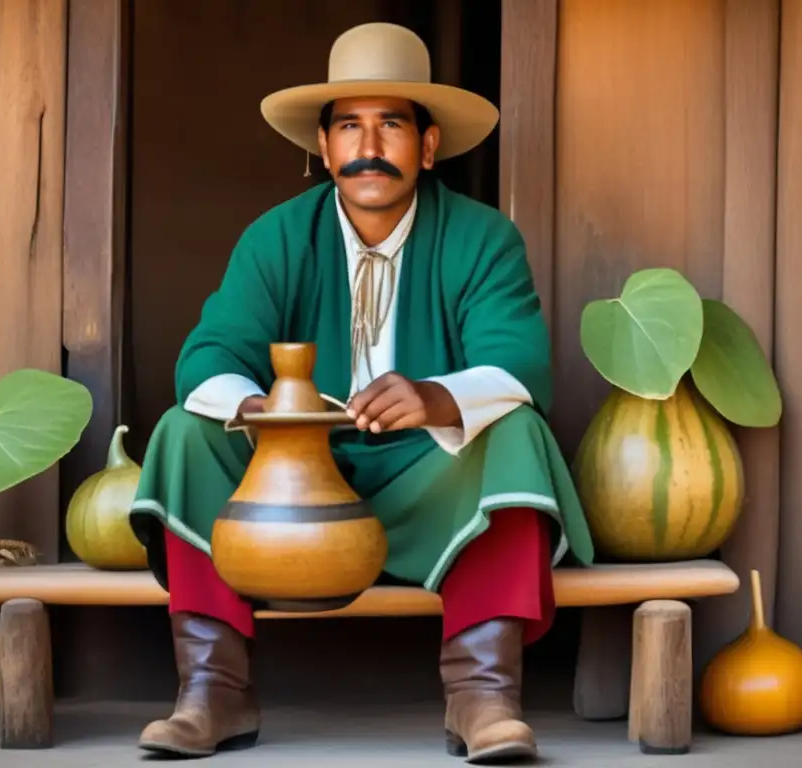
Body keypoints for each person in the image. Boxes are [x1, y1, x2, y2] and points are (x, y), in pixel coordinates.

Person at [128, 21, 594, 765]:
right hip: (290, 497)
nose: (368, 144)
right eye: (349, 125)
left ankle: (481, 696)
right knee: (185, 431)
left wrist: (437, 398)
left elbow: (518, 366)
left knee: (517, 434)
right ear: (322, 146)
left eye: (391, 125)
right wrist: (258, 410)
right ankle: (214, 692)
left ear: (428, 145)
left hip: (426, 483)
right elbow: (208, 355)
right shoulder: (276, 237)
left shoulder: (483, 238)